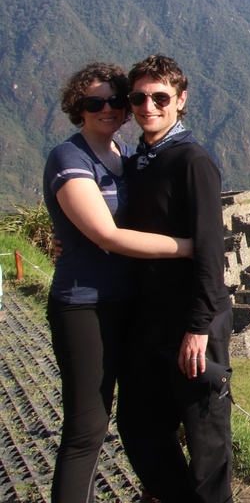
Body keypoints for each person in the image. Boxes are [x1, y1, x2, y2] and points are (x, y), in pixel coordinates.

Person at [43, 62, 194, 503]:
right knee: (88, 426)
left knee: (144, 410)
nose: (107, 109)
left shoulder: (127, 158)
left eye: (115, 100)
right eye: (95, 102)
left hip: (133, 303)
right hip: (85, 304)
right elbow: (105, 233)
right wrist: (189, 247)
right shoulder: (68, 158)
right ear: (79, 107)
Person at [116, 55, 233, 503]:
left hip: (190, 317)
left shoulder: (192, 161)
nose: (149, 106)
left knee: (206, 442)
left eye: (160, 97)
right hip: (147, 316)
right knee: (139, 424)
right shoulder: (140, 163)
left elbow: (209, 250)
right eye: (139, 97)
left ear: (180, 101)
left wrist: (198, 327)